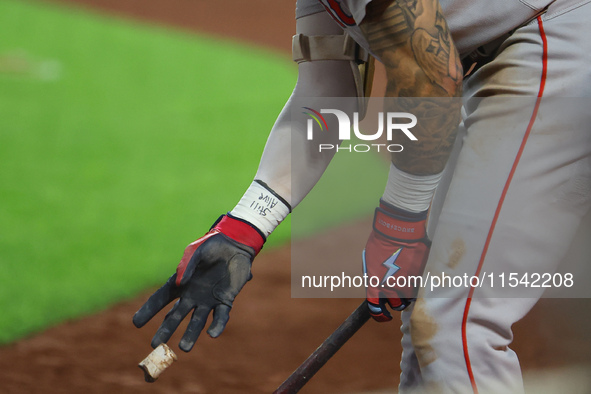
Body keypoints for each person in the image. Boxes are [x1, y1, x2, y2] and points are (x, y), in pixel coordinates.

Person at [133, 0, 591, 392]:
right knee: (429, 320)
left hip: (564, 36)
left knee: (458, 323)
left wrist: (399, 228)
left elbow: (432, 80)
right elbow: (327, 95)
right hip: (513, 48)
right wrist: (245, 228)